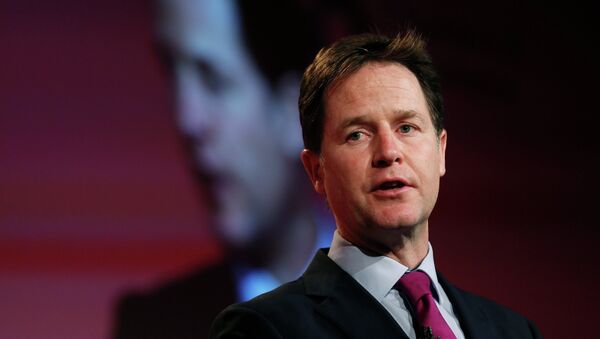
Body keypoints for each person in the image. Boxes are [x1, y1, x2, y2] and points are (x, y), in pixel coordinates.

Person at [209, 31, 543, 338]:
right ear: (316, 171)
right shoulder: (264, 329)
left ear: (440, 151)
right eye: (357, 134)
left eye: (407, 128)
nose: (388, 152)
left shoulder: (514, 331)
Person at [112, 0, 345, 338]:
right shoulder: (147, 327)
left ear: (296, 110)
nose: (187, 119)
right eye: (172, 76)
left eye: (213, 79)